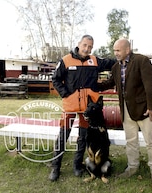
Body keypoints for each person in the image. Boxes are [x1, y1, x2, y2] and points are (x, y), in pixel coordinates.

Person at [49, 34, 116, 182]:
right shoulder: (66, 60)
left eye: (90, 47)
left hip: (88, 109)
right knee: (63, 136)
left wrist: (124, 59)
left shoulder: (95, 61)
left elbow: (113, 63)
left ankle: (77, 165)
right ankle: (55, 167)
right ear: (79, 44)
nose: (87, 49)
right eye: (85, 45)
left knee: (83, 137)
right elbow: (55, 79)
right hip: (70, 106)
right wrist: (65, 94)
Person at [98, 38, 152, 184]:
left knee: (150, 141)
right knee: (131, 141)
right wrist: (92, 85)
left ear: (127, 50)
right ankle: (132, 167)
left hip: (145, 110)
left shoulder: (141, 61)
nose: (116, 53)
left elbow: (151, 85)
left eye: (118, 50)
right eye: (114, 50)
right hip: (126, 110)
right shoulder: (116, 67)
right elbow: (109, 82)